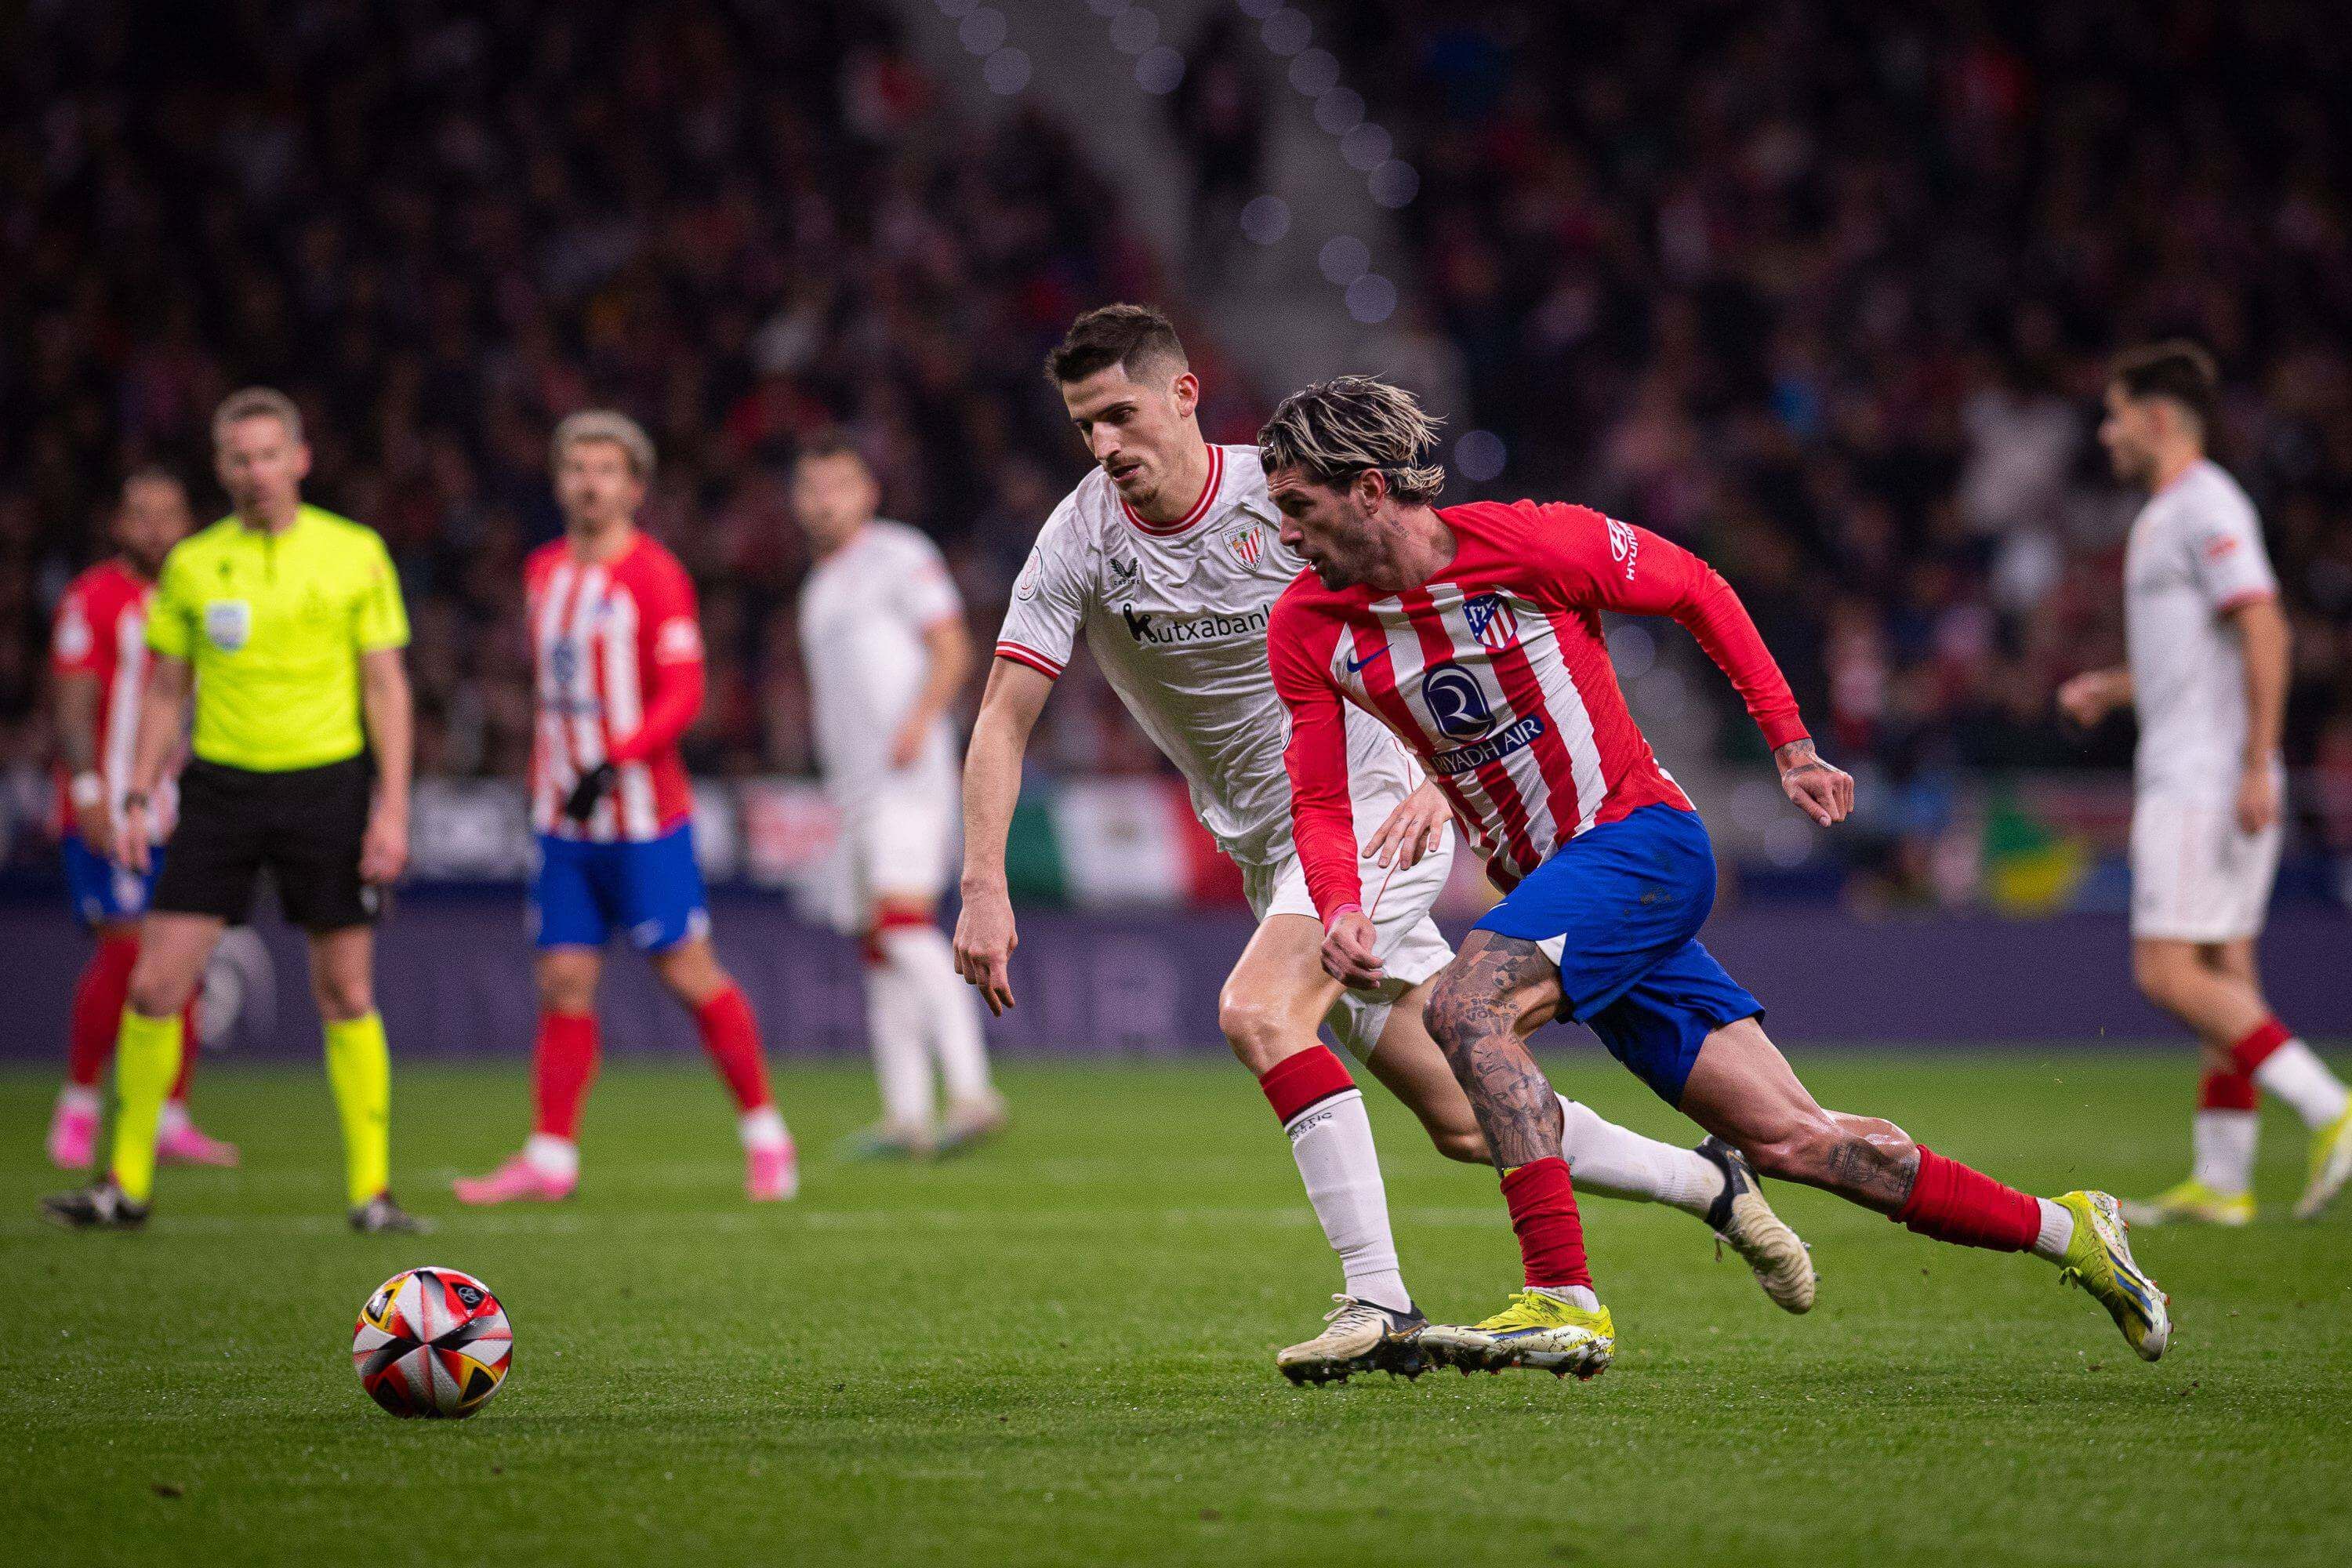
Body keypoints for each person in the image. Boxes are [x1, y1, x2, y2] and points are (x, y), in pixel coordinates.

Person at [956, 307, 1813, 1386]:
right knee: (1465, 1119)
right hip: (1277, 852)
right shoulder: (1081, 538)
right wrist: (983, 880)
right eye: (1085, 426)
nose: (1104, 446)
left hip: (1369, 818)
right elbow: (1001, 715)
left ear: (1184, 397)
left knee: (1260, 1013)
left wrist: (1430, 779)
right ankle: (1713, 1186)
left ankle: (1379, 1299)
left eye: (1120, 415)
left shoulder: (1284, 503)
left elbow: (1422, 611)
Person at [1260, 374, 2171, 1377]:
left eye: (1300, 506)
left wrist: (1789, 743)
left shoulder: (1528, 543)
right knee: (1799, 1143)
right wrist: (1340, 903)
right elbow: (1319, 796)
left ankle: (1562, 1299)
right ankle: (2070, 1228)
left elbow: (1696, 585)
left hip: (1640, 840)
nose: (1289, 535)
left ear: (1372, 487)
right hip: (1565, 894)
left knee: (1467, 1004)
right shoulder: (1308, 625)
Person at [42, 388, 423, 1232]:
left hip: (327, 784)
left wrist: (392, 807)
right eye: (239, 458)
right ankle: (124, 1184)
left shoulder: (354, 552)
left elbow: (386, 684)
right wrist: (139, 789)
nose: (255, 471)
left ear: (300, 458)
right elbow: (167, 689)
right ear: (222, 468)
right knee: (154, 983)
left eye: (268, 454)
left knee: (346, 991)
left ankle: (372, 1191)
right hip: (220, 789)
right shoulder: (195, 563)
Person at [456, 411, 796, 1205]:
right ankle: (551, 1156)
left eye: (607, 468)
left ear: (634, 486)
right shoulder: (542, 572)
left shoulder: (654, 574)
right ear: (558, 478)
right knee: (564, 979)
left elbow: (685, 692)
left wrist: (615, 759)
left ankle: (767, 1133)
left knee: (687, 972)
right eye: (576, 466)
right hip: (562, 824)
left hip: (645, 820)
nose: (590, 481)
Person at [2060, 342, 2352, 1225]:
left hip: (2202, 777)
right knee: (2227, 969)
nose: (2106, 433)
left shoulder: (2205, 503)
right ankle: (2224, 1178)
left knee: (2167, 970)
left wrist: (2259, 761)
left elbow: (2266, 630)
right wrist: (2114, 685)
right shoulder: (2167, 513)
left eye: (2115, 415)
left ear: (2156, 418)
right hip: (2203, 764)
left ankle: (2330, 1105)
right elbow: (2195, 657)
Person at [793, 434, 1003, 1157]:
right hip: (854, 787)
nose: (823, 501)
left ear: (867, 494)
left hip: (906, 772)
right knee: (877, 943)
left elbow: (952, 646)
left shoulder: (899, 554)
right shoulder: (820, 584)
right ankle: (907, 1113)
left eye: (837, 486)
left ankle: (973, 1092)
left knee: (902, 922)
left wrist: (919, 724)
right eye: (811, 488)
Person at [44, 470, 238, 1172]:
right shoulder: (92, 597)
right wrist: (91, 789)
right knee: (127, 953)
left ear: (188, 521)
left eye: (168, 514)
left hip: (186, 812)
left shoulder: (210, 591)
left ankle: (170, 1117)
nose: (154, 528)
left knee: (181, 964)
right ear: (119, 524)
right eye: (140, 515)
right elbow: (70, 705)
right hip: (107, 806)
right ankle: (80, 1103)